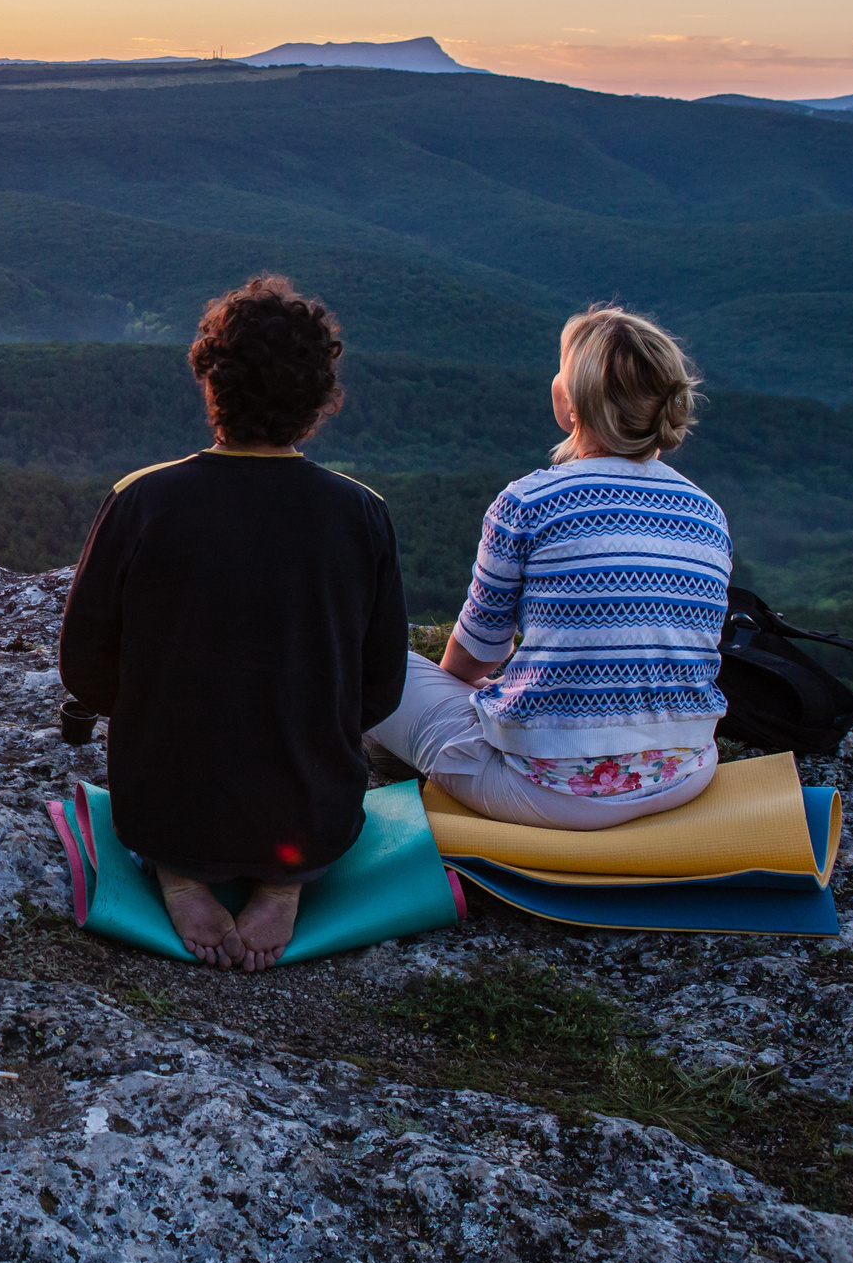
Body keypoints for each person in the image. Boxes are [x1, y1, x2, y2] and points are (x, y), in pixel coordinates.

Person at [58, 277, 408, 973]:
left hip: (165, 810)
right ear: (321, 403)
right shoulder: (360, 513)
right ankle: (283, 880)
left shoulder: (143, 500)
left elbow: (85, 667)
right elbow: (380, 690)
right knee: (303, 807)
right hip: (312, 817)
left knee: (172, 818)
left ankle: (181, 875)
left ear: (210, 384)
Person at [366, 307, 730, 831]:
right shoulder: (707, 514)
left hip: (545, 791)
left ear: (569, 401)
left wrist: (444, 706)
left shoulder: (529, 502)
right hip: (685, 774)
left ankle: (397, 767)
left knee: (366, 663)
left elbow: (479, 650)